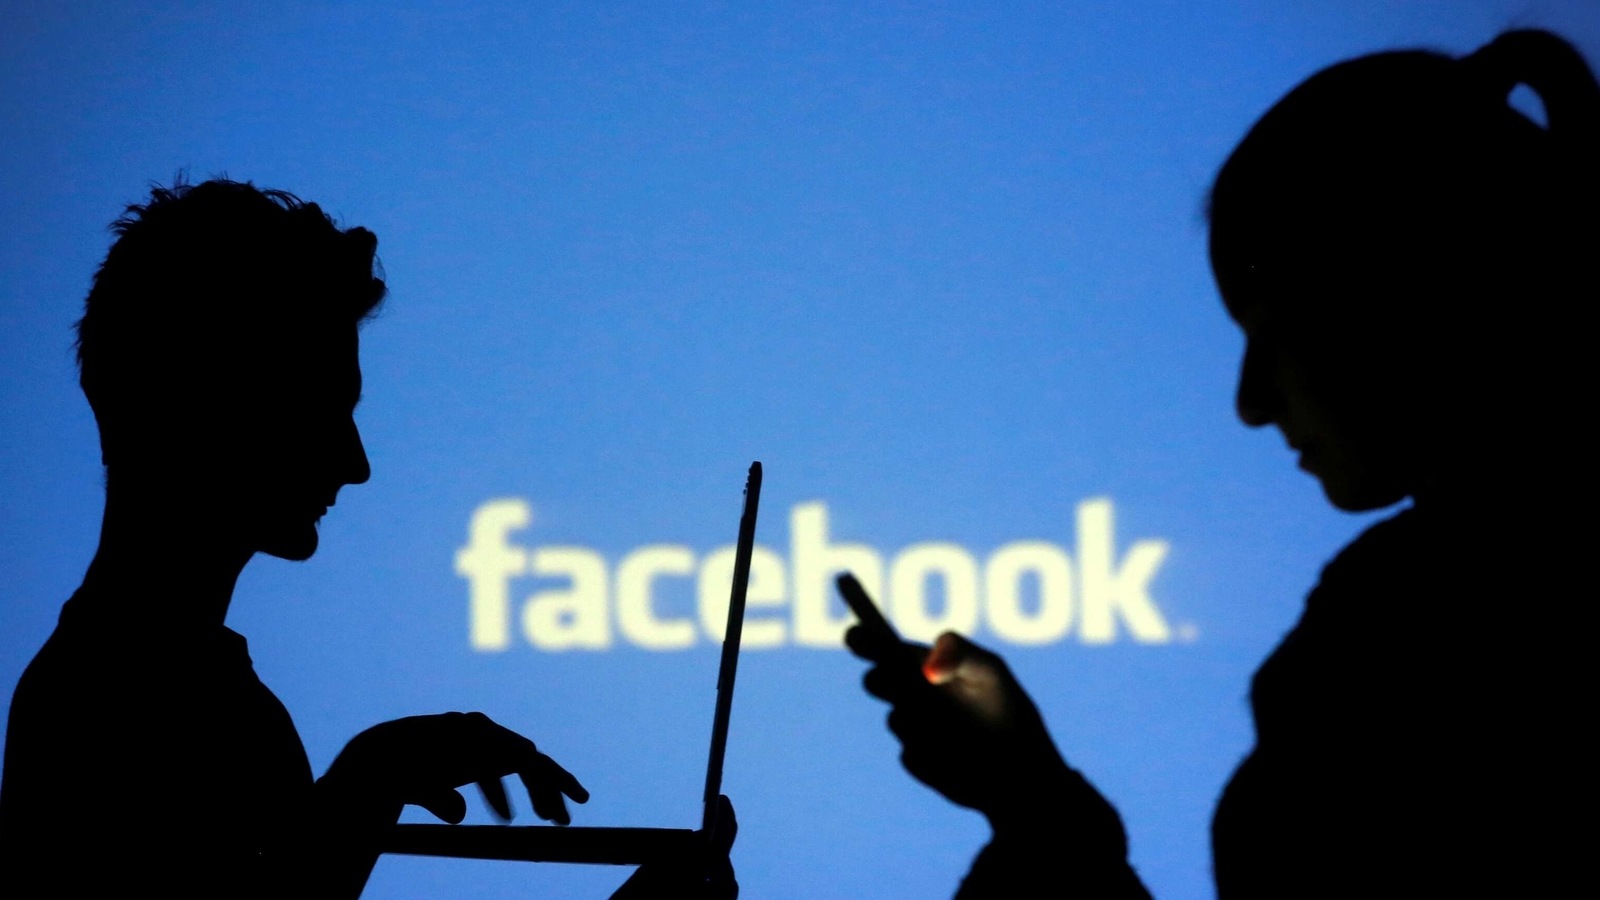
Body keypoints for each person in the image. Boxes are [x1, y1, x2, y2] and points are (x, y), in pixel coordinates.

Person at [846, 28, 1597, 897]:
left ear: (1402, 303)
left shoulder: (1408, 642)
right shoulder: (1421, 617)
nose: (1249, 402)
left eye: (1268, 336)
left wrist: (1040, 816)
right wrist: (1033, 802)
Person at [0, 179, 734, 898]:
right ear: (206, 406)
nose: (355, 465)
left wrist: (368, 782)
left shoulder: (150, 687)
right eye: (320, 409)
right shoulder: (127, 707)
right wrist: (368, 781)